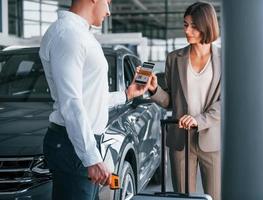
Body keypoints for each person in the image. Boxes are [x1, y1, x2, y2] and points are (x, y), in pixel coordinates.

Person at [39, 0, 150, 199]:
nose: (108, 11)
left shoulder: (79, 34)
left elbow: (89, 98)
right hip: (72, 144)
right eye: (107, 2)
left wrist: (127, 94)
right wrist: (91, 158)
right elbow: (71, 103)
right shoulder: (68, 36)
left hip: (77, 142)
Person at [148, 2, 221, 200]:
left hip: (212, 139)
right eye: (185, 24)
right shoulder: (174, 58)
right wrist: (154, 89)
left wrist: (199, 119)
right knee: (182, 198)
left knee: (215, 196)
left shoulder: (224, 59)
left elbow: (226, 102)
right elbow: (170, 101)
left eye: (194, 26)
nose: (187, 30)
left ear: (207, 26)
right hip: (180, 140)